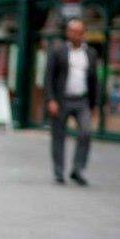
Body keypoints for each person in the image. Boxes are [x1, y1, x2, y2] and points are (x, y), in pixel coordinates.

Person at [44, 18, 99, 186]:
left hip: (82, 100)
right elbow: (48, 77)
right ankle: (59, 172)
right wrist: (51, 99)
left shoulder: (90, 53)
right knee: (58, 136)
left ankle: (77, 170)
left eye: (80, 32)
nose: (77, 35)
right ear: (68, 33)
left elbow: (94, 81)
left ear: (84, 34)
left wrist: (94, 104)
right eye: (73, 31)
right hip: (61, 100)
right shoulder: (58, 51)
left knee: (86, 132)